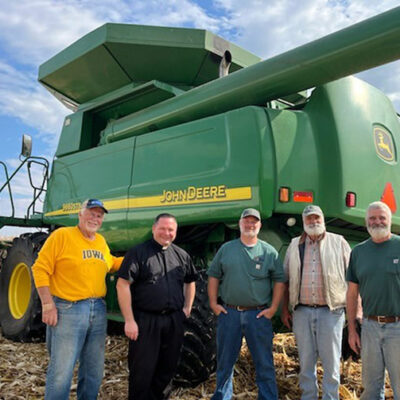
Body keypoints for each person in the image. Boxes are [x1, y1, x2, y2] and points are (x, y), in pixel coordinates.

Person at [32, 199, 122, 400]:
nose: (95, 218)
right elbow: (40, 269)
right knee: (61, 371)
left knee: (93, 370)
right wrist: (47, 304)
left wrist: (139, 257)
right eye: (91, 213)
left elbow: (111, 263)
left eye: (99, 215)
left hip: (98, 309)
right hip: (68, 309)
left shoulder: (100, 241)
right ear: (80, 215)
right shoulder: (62, 236)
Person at [116, 213, 197, 400]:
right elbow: (122, 285)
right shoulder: (138, 253)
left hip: (173, 320)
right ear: (153, 229)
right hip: (145, 321)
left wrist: (187, 308)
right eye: (162, 228)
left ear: (175, 232)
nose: (166, 233)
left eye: (171, 230)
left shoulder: (181, 255)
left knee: (167, 370)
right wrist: (129, 321)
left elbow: (190, 281)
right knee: (142, 371)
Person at [207, 208, 286, 400]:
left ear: (260, 225)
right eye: (246, 221)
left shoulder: (268, 251)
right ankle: (222, 397)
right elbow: (213, 276)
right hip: (230, 314)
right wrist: (213, 304)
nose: (250, 225)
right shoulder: (227, 249)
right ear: (240, 224)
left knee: (264, 363)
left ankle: (268, 397)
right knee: (225, 362)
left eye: (254, 222)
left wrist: (273, 308)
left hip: (257, 316)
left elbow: (280, 280)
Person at [281, 204, 351, 400]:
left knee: (331, 364)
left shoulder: (339, 242)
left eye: (316, 218)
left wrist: (356, 311)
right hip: (302, 312)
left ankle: (330, 397)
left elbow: (353, 278)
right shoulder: (295, 244)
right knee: (305, 362)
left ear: (323, 219)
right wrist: (285, 310)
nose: (313, 222)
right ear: (303, 223)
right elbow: (286, 280)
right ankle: (309, 396)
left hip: (331, 312)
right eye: (309, 219)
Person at [347, 201, 400, 400]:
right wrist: (352, 330)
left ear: (390, 220)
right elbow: (352, 293)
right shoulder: (359, 252)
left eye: (381, 218)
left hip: (397, 327)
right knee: (370, 388)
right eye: (372, 218)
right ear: (366, 222)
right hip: (369, 328)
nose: (377, 221)